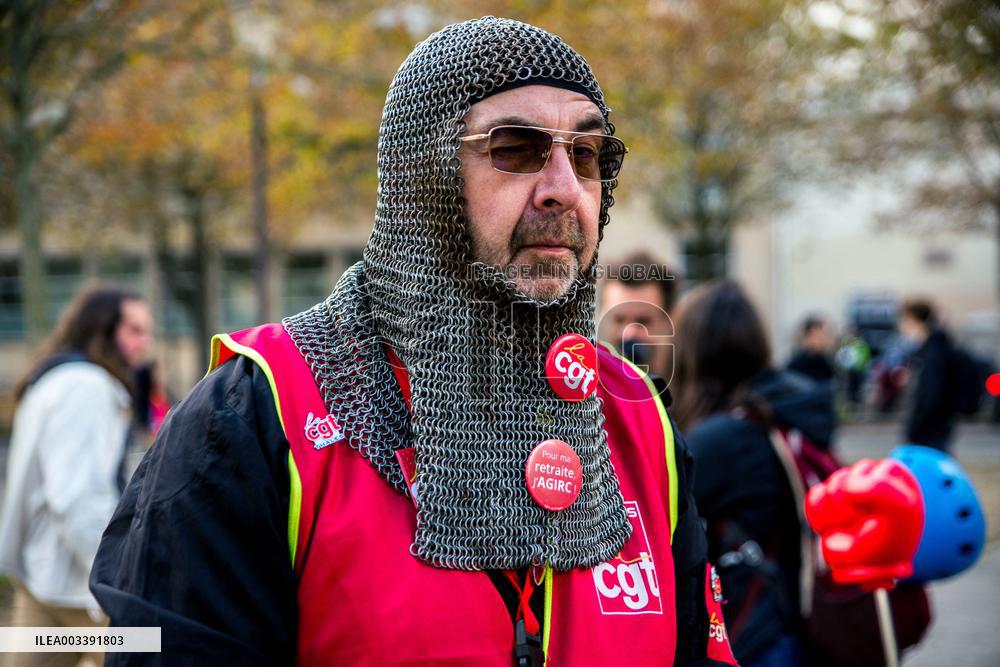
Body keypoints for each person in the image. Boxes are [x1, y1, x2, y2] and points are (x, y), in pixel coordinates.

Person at [89, 17, 737, 667]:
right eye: (515, 147)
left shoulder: (639, 420)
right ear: (421, 176)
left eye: (588, 155)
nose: (565, 189)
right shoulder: (260, 416)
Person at [671, 280, 836, 667]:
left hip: (748, 636)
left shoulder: (722, 438)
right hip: (784, 624)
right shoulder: (776, 413)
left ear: (694, 349)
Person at [0, 284, 153, 667]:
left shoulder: (56, 379)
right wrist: (121, 580)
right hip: (81, 587)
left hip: (42, 578)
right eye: (134, 330)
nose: (143, 343)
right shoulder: (86, 387)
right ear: (102, 329)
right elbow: (78, 498)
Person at [597, 250, 678, 385]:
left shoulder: (693, 394)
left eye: (643, 321)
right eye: (619, 320)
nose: (629, 334)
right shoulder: (584, 391)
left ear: (671, 320)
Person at [899, 298, 959, 450]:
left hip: (930, 430)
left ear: (914, 320)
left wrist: (915, 428)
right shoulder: (928, 349)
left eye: (905, 320)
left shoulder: (933, 353)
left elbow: (931, 394)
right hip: (934, 427)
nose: (903, 326)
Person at [786, 315, 834, 385]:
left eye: (824, 334)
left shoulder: (827, 362)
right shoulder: (796, 364)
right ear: (807, 336)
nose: (822, 339)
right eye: (818, 335)